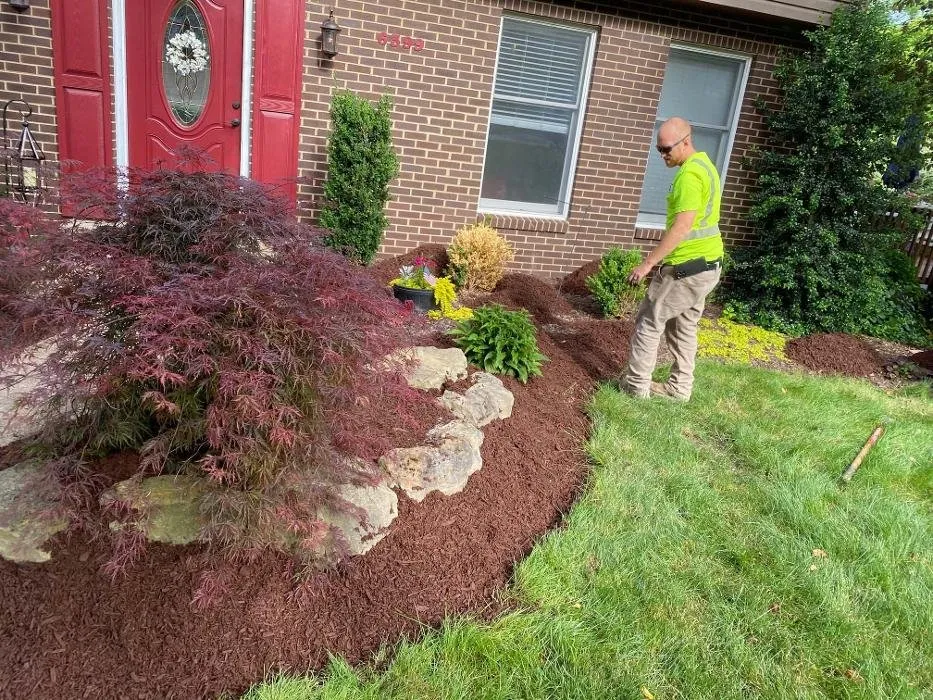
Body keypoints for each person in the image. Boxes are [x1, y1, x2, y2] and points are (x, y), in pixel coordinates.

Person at [620, 116, 724, 401]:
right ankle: (679, 389)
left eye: (666, 149)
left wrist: (647, 263)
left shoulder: (690, 176)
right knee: (684, 325)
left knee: (649, 321)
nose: (662, 156)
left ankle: (635, 387)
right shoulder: (706, 166)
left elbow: (682, 227)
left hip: (685, 268)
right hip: (707, 265)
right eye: (659, 150)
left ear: (686, 141)